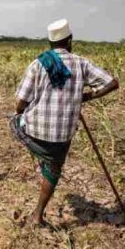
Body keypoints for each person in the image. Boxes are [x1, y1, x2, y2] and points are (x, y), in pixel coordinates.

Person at [10, 19, 119, 226]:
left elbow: (20, 103)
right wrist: (87, 96)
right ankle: (38, 213)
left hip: (34, 130)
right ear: (69, 41)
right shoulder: (81, 63)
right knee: (54, 166)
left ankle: (43, 156)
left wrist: (21, 112)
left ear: (50, 44)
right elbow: (113, 83)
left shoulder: (38, 63)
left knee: (14, 122)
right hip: (62, 135)